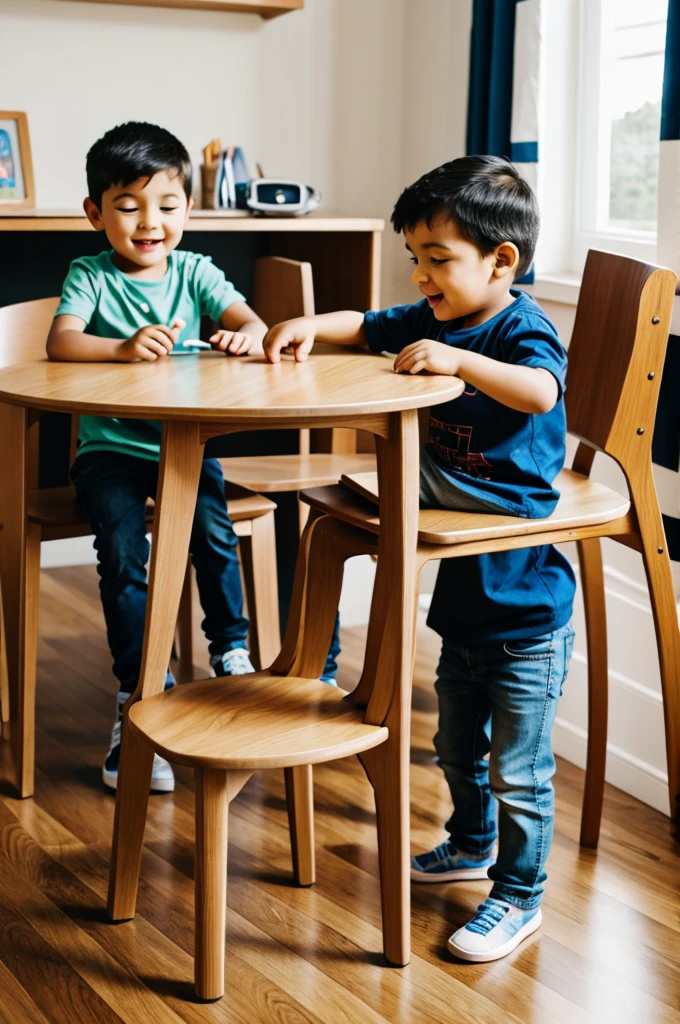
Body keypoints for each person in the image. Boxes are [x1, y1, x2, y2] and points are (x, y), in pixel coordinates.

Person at [263, 155, 576, 963]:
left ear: (501, 261)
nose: (423, 275)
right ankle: (469, 843)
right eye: (416, 257)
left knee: (518, 771)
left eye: (438, 259)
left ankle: (519, 896)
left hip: (515, 554)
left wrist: (462, 362)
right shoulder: (435, 312)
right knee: (454, 746)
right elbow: (368, 323)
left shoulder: (515, 326)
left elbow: (541, 393)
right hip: (468, 600)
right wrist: (308, 326)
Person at [47, 122, 267, 794]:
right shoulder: (89, 273)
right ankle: (140, 693)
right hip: (109, 448)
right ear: (96, 213)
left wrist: (241, 337)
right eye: (129, 205)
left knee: (213, 532)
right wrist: (118, 348)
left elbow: (250, 322)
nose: (151, 222)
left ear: (187, 212)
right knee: (121, 552)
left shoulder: (196, 271)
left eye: (168, 206)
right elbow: (61, 341)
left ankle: (231, 650)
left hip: (183, 445)